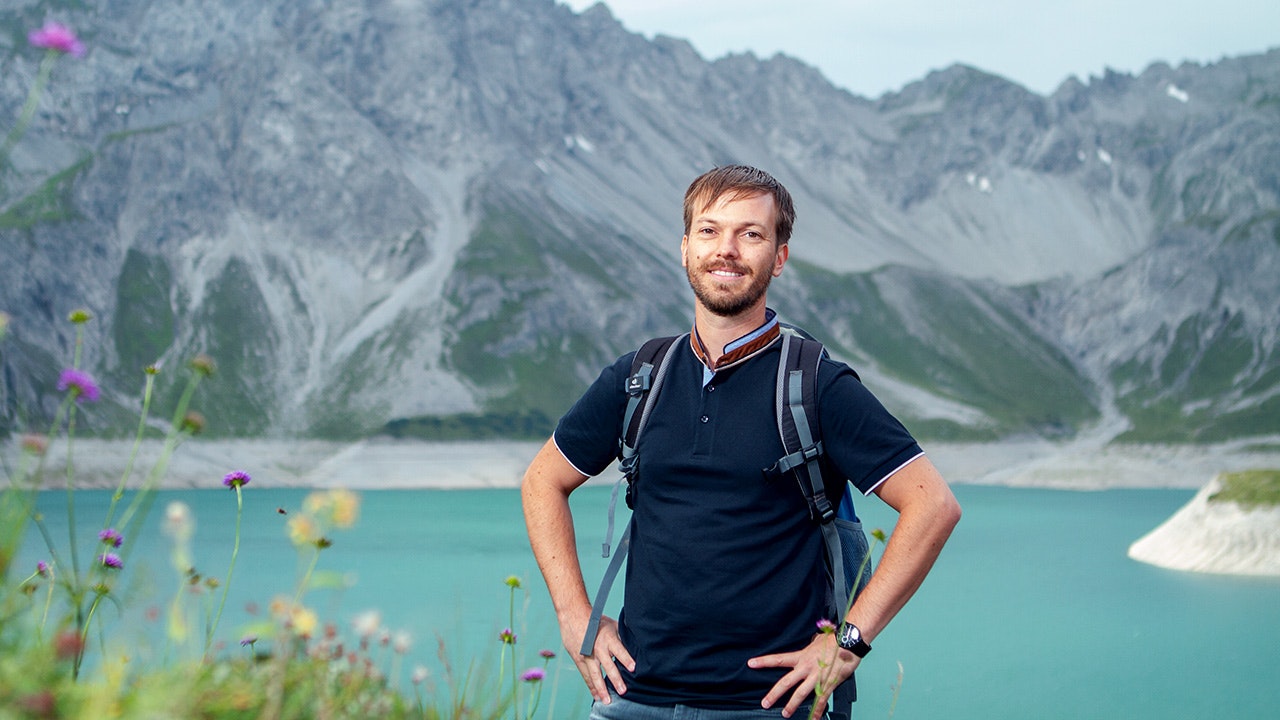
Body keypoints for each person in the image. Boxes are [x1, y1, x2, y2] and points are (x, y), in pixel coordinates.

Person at [522, 165, 961, 719]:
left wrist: (846, 644)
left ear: (778, 257)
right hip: (631, 700)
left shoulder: (817, 384)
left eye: (750, 234)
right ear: (685, 249)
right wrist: (573, 614)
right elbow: (542, 480)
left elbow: (933, 504)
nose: (725, 249)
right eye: (709, 231)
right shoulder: (639, 377)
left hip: (766, 707)